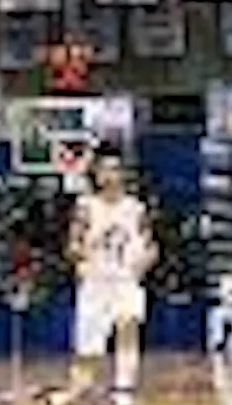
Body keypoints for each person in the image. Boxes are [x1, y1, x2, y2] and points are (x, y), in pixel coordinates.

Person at [63, 146, 156, 405]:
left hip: (125, 281)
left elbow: (151, 246)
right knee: (88, 349)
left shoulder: (136, 208)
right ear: (96, 174)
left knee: (128, 326)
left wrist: (144, 262)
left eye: (115, 169)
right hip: (95, 283)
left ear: (123, 174)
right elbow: (71, 246)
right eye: (104, 169)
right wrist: (81, 252)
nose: (110, 174)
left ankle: (124, 390)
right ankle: (79, 386)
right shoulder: (86, 206)